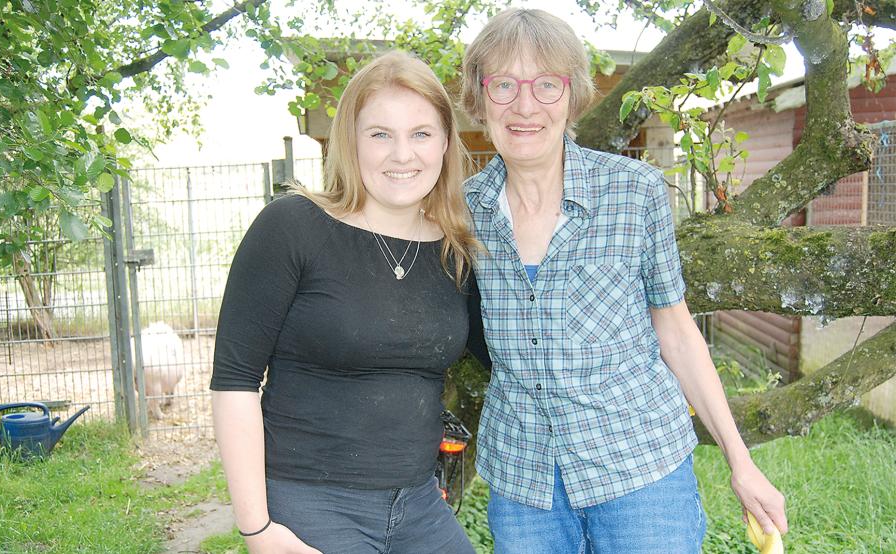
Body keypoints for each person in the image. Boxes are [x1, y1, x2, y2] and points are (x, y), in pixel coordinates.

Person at [459, 8, 788, 553]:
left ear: (572, 95)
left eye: (546, 84)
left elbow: (677, 332)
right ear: (479, 97)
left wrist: (741, 462)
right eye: (503, 85)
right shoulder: (463, 211)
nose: (524, 106)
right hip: (524, 486)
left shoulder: (635, 191)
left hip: (640, 473)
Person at [210, 50, 486, 554]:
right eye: (380, 134)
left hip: (421, 505)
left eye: (421, 133)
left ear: (446, 142)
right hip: (311, 502)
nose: (402, 154)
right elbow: (234, 381)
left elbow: (513, 353)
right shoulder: (293, 228)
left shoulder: (457, 251)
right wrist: (257, 530)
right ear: (350, 142)